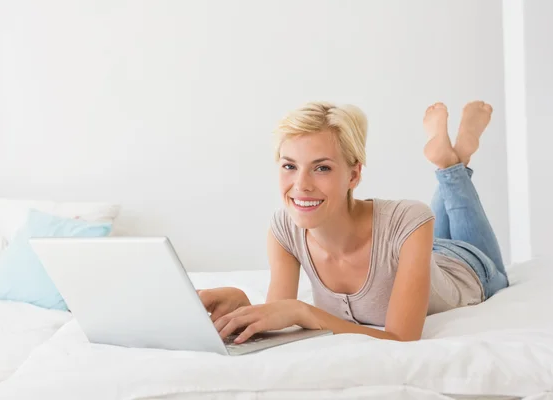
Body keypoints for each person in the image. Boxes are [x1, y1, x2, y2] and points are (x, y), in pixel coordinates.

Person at [197, 101, 509, 343]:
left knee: (471, 249)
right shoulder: (284, 230)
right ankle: (453, 157)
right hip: (418, 255)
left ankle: (452, 163)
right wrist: (242, 306)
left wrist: (305, 311)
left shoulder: (410, 219)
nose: (301, 184)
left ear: (354, 175)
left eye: (322, 168)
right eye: (289, 166)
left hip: (469, 267)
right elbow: (280, 315)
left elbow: (400, 339)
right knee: (431, 213)